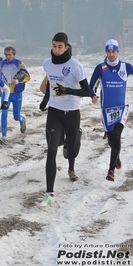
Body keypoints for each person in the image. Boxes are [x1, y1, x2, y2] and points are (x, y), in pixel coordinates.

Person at [41, 32, 91, 206]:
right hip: (54, 112)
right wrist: (45, 100)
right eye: (54, 46)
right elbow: (49, 86)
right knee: (52, 150)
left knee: (72, 150)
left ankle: (71, 167)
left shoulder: (75, 65)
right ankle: (50, 193)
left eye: (60, 46)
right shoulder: (47, 64)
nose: (56, 49)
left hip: (72, 112)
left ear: (66, 47)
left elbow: (87, 91)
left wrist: (68, 90)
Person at [89, 39, 133, 181]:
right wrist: (93, 95)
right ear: (106, 52)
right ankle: (117, 157)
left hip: (122, 108)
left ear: (118, 52)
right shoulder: (101, 68)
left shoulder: (125, 67)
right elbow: (91, 85)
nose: (111, 54)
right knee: (112, 142)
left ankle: (110, 171)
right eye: (109, 51)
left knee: (117, 136)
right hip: (106, 110)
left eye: (114, 51)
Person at [0, 46, 30, 145]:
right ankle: (4, 136)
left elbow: (28, 76)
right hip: (6, 93)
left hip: (17, 93)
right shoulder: (1, 64)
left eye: (9, 55)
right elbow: (0, 76)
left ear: (14, 55)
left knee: (16, 116)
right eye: (6, 55)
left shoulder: (19, 64)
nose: (7, 57)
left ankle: (21, 119)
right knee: (4, 114)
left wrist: (18, 81)